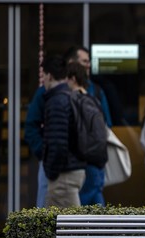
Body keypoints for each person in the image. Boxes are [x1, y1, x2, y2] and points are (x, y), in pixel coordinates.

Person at [24, 45, 112, 208]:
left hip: (68, 169)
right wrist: (44, 153)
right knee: (70, 220)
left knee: (67, 224)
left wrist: (51, 163)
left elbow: (58, 139)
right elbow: (32, 127)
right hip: (76, 166)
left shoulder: (59, 98)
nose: (88, 66)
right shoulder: (59, 95)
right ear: (71, 65)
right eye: (84, 62)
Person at [42, 55, 86, 208]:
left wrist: (52, 172)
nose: (43, 81)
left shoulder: (57, 102)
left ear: (49, 75)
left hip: (64, 175)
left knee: (73, 229)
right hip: (70, 170)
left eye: (43, 76)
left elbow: (58, 143)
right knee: (54, 226)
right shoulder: (68, 97)